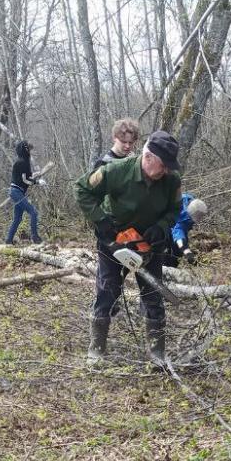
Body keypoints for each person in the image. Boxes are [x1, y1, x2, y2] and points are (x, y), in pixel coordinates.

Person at [76, 130, 182, 367]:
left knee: (153, 295)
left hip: (149, 245)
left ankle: (157, 354)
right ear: (148, 157)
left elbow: (176, 210)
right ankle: (96, 350)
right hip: (114, 242)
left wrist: (162, 227)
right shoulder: (116, 170)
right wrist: (100, 221)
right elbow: (82, 189)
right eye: (163, 165)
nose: (166, 170)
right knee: (107, 291)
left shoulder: (172, 180)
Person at [6, 139, 46, 244]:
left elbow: (27, 176)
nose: (32, 151)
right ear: (26, 150)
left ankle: (8, 240)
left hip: (17, 192)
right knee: (33, 212)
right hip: (16, 192)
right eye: (30, 149)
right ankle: (35, 237)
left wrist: (38, 174)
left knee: (18, 219)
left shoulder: (23, 162)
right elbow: (25, 180)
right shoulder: (22, 162)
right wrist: (37, 182)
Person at [166, 192, 208, 267]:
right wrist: (187, 252)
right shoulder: (182, 217)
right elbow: (178, 235)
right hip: (164, 226)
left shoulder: (188, 199)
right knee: (172, 253)